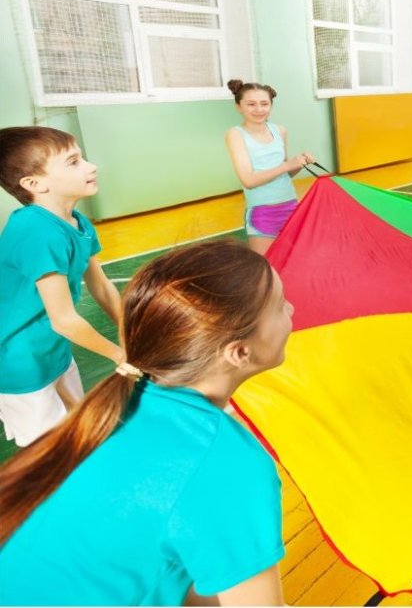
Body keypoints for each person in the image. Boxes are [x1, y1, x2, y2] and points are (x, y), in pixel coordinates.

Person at [0, 240, 291, 606]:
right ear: (239, 352)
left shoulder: (122, 402)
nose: (292, 308)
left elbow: (175, 570)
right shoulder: (225, 463)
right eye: (280, 305)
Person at [0, 126, 125, 448]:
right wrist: (119, 354)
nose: (91, 166)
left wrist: (129, 334)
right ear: (34, 184)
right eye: (73, 162)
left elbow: (102, 287)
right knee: (46, 448)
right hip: (17, 358)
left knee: (75, 426)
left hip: (51, 346)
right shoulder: (36, 231)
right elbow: (65, 319)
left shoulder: (76, 222)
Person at [224, 80, 314, 255]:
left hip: (291, 207)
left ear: (271, 105)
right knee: (265, 269)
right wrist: (287, 165)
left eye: (264, 104)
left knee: (293, 262)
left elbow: (285, 174)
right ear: (238, 106)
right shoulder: (235, 135)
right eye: (251, 104)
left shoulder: (279, 130)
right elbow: (248, 180)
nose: (259, 109)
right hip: (262, 213)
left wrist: (300, 163)